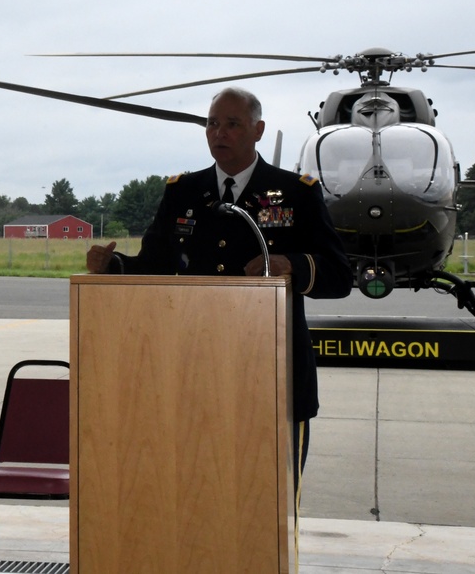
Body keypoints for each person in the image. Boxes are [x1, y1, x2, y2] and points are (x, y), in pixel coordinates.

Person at [87, 86, 351, 480]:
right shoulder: (183, 192)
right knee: (198, 485)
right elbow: (154, 265)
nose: (219, 133)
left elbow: (339, 275)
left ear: (258, 130)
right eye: (212, 124)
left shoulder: (298, 192)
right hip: (195, 370)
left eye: (232, 124)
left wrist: (292, 265)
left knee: (273, 490)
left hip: (273, 369)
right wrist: (112, 267)